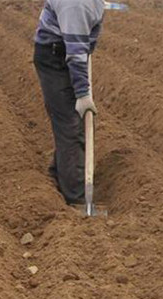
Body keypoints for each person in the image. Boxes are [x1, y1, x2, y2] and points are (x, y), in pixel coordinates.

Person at [33, 0, 104, 206]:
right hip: (55, 57)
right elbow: (75, 53)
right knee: (71, 126)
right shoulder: (76, 5)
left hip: (63, 49)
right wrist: (82, 94)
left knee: (73, 123)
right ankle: (77, 200)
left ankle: (58, 175)